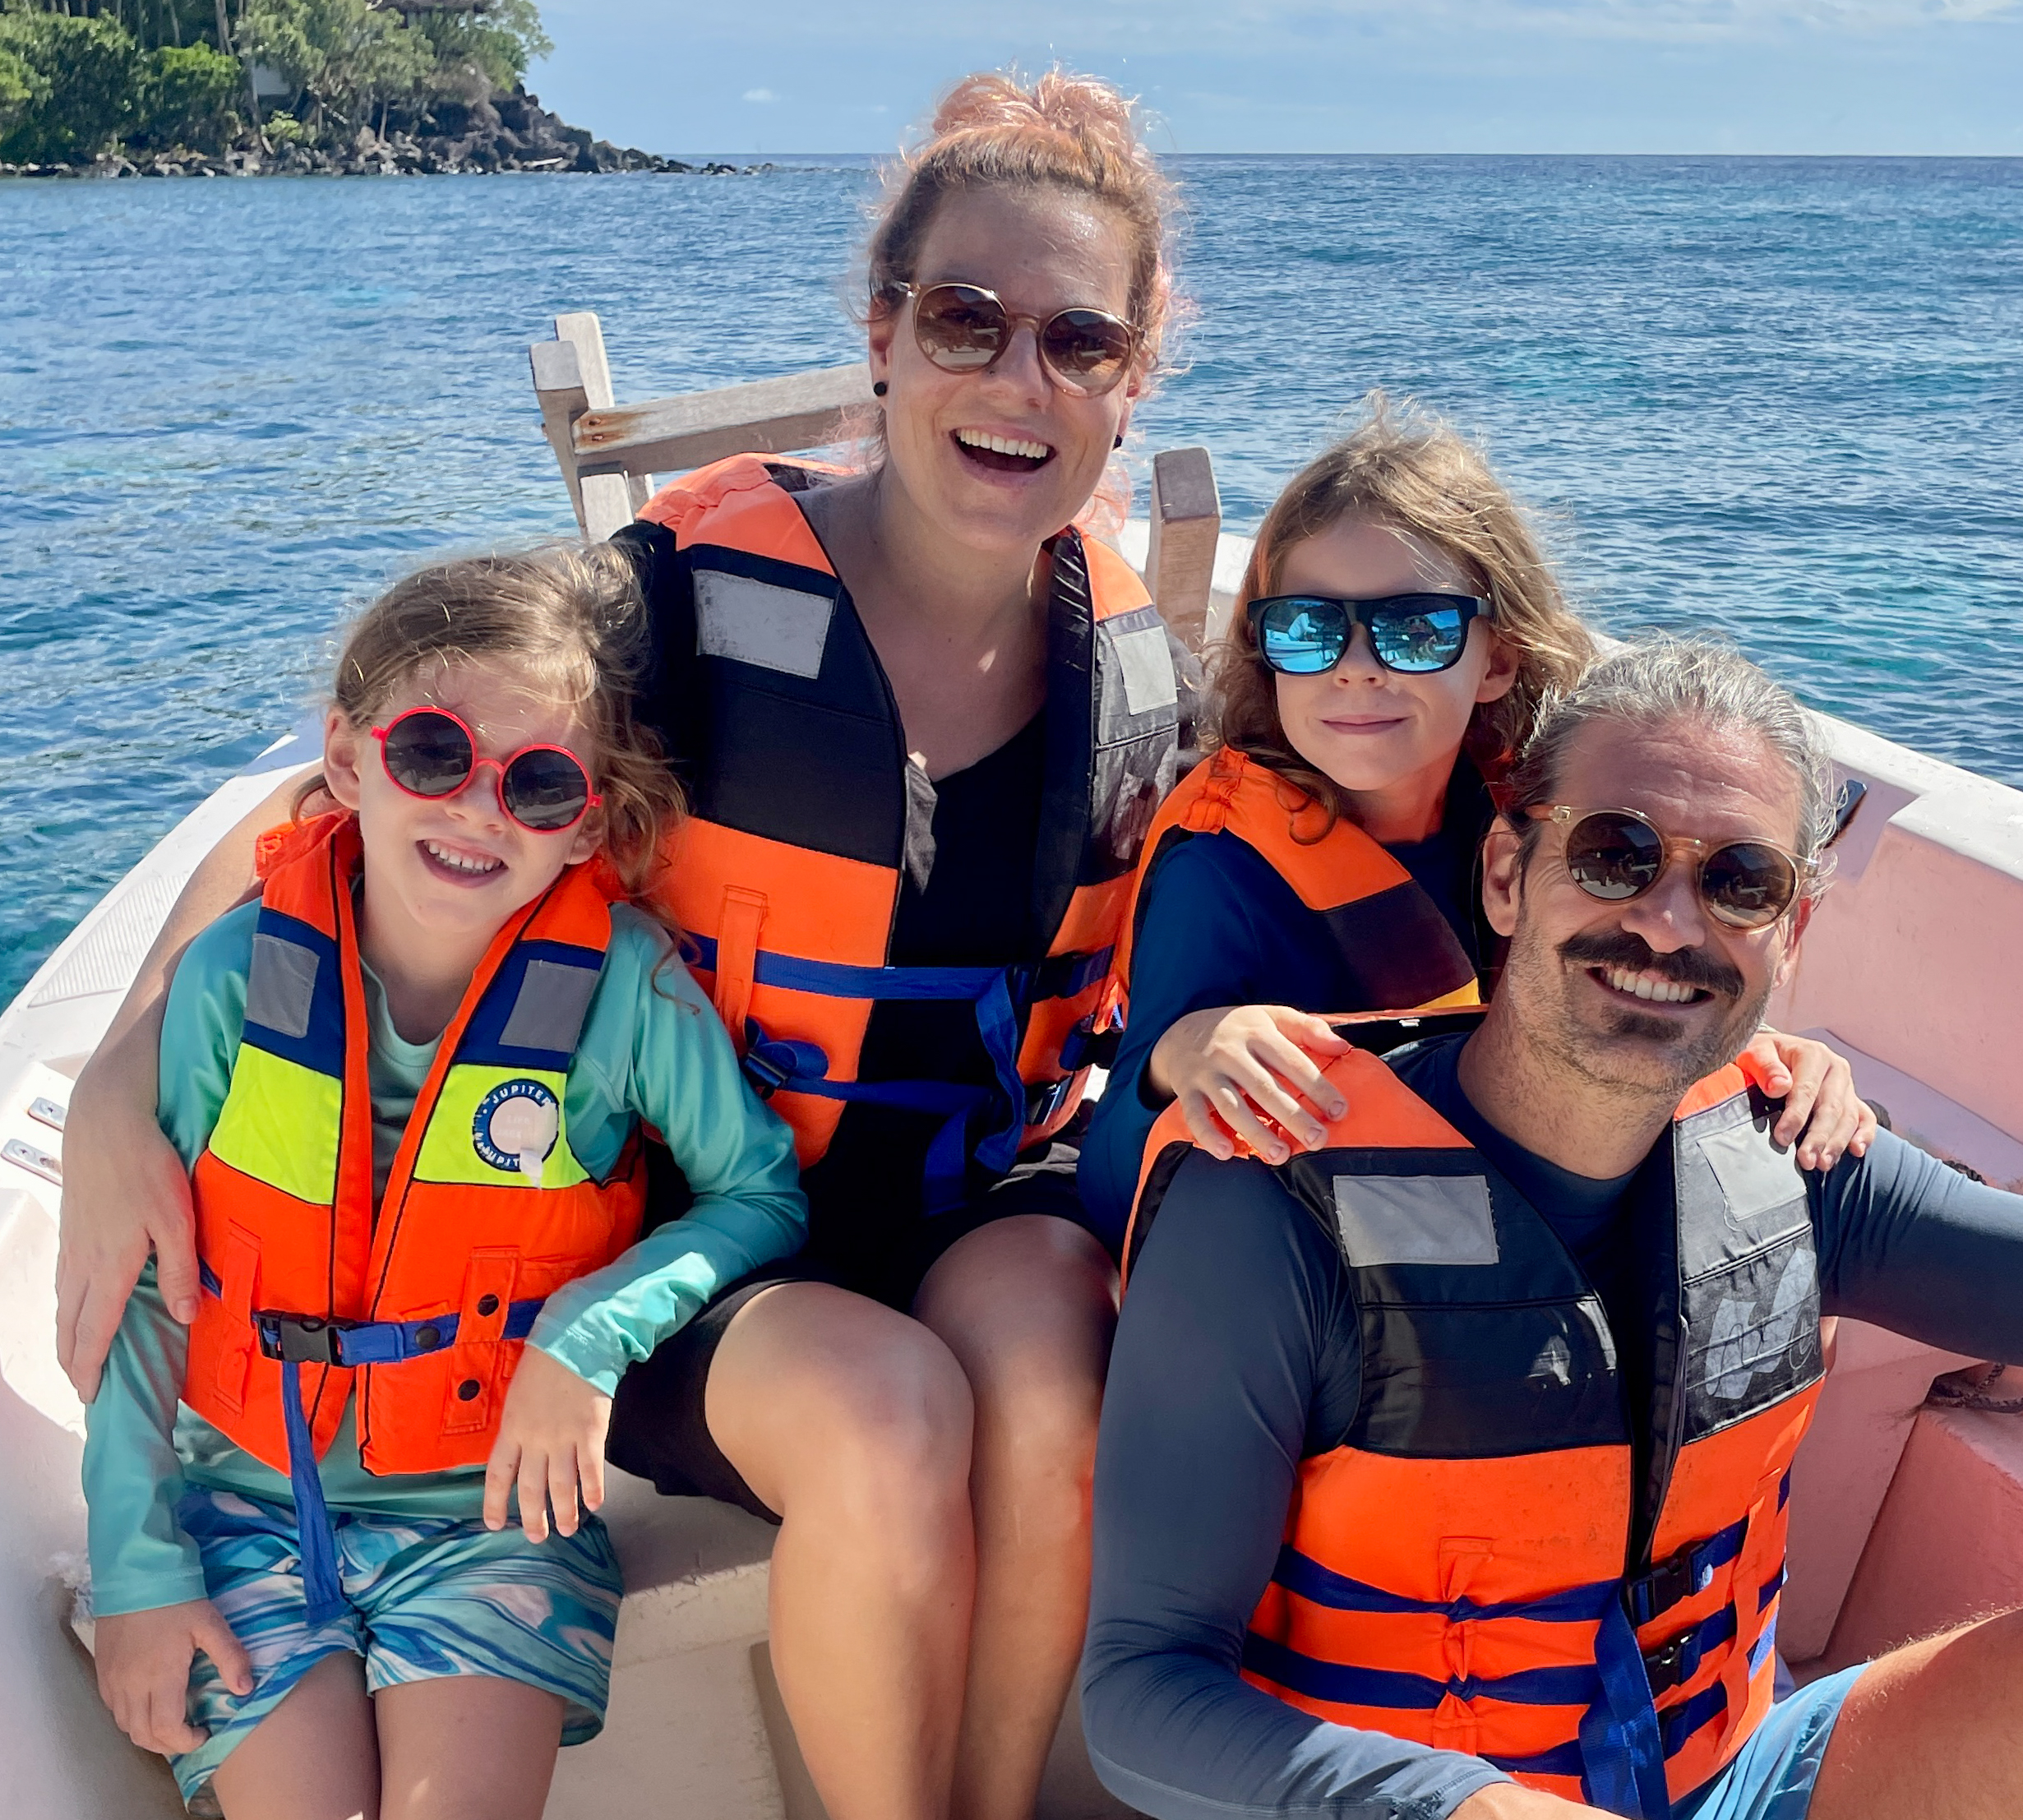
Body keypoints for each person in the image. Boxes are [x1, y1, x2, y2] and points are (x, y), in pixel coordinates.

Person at [59, 69, 1188, 1820]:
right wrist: (133, 1069)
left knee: (1053, 1365)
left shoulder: (1135, 671)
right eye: (966, 317)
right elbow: (310, 811)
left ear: (1131, 376)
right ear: (883, 331)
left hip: (966, 1203)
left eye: (1078, 341)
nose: (1016, 379)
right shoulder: (663, 604)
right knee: (888, 1415)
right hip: (681, 1254)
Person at [1084, 636, 2023, 1820]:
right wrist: (1460, 1804)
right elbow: (1142, 1686)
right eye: (1614, 854)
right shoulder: (1270, 1201)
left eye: (1736, 882)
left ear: (1790, 934)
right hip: (1416, 1796)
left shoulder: (1799, 1158)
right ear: (1507, 872)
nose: (1667, 923)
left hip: (1736, 1770)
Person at [84, 547, 808, 1818]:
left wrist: (590, 1334)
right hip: (243, 1505)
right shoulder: (231, 983)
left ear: (585, 821)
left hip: (494, 1520)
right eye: (433, 753)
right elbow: (147, 1290)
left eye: (536, 783)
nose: (478, 809)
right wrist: (140, 1571)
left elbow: (757, 1191)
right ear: (350, 757)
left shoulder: (626, 993)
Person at [1080, 404, 1871, 1250]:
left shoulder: (1541, 828)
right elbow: (1112, 1176)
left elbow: (1628, 995)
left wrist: (1774, 1057)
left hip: (1522, 1206)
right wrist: (1187, 1052)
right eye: (1308, 629)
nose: (1354, 668)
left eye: (1413, 630)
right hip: (1327, 1264)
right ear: (1265, 651)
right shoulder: (1222, 870)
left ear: (1497, 658)